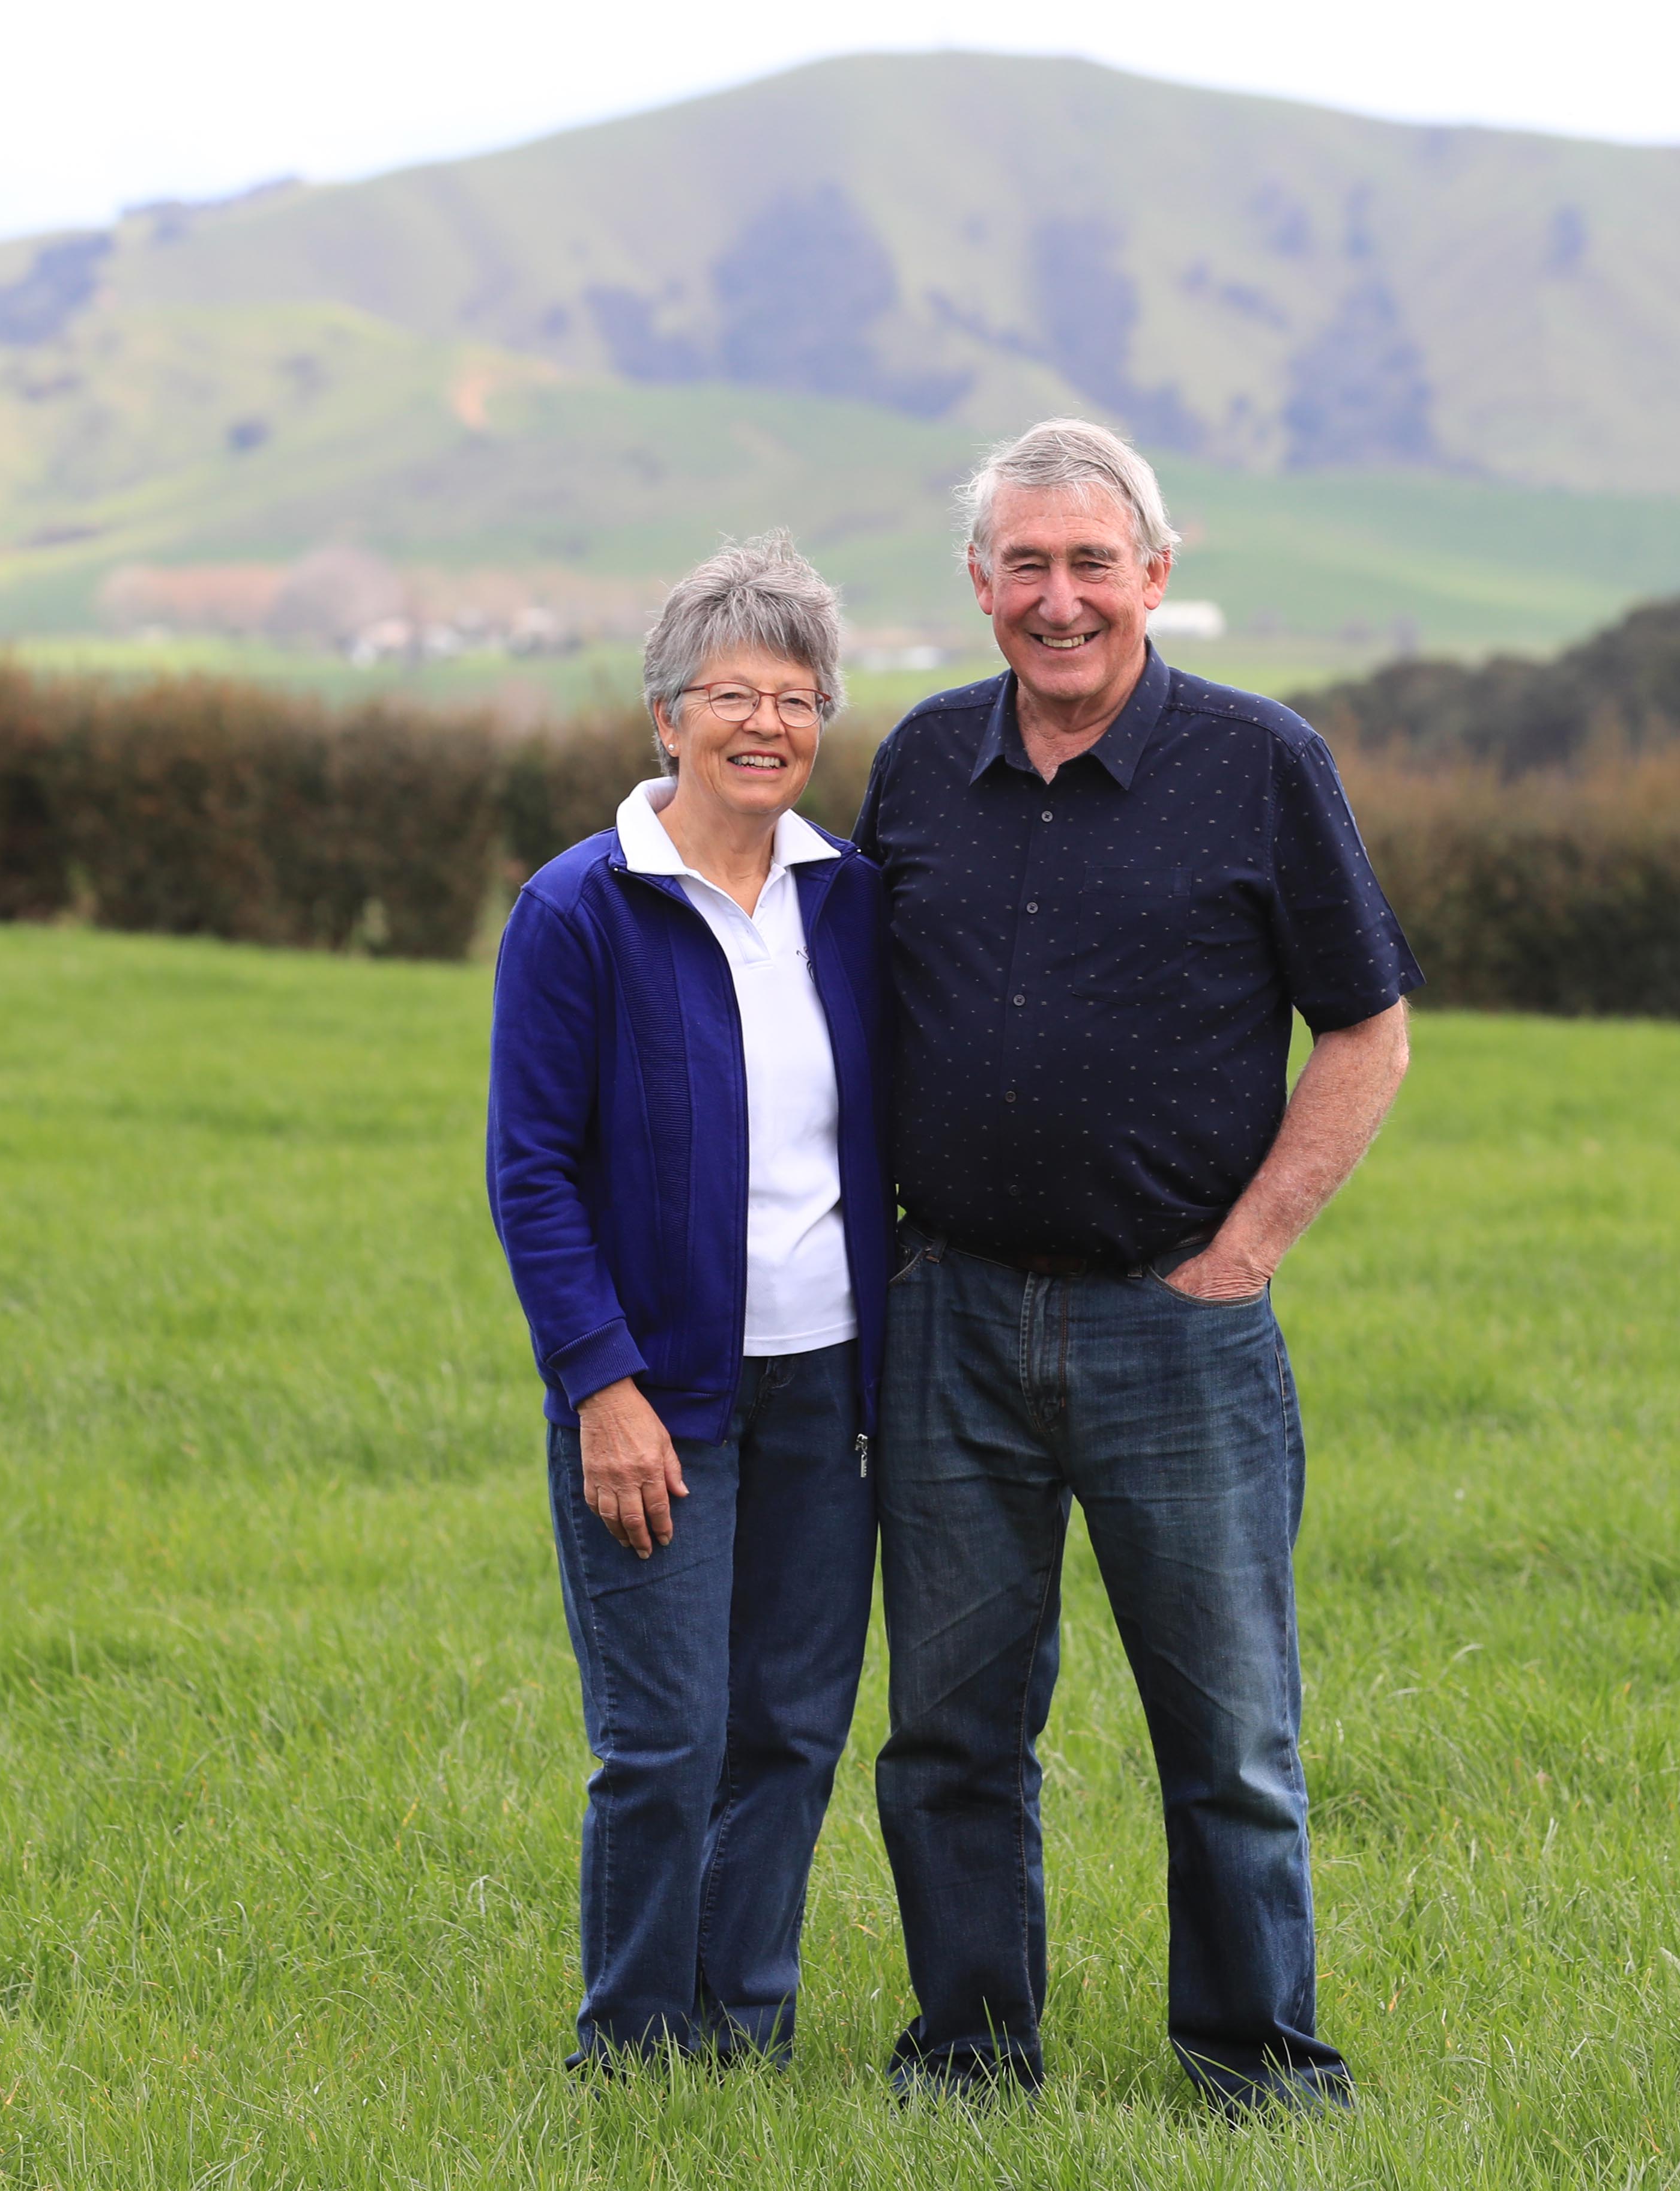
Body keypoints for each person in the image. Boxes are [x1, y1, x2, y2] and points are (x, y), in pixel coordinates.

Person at [854, 419, 1420, 2111]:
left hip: (1178, 1326)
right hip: (950, 1316)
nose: (1060, 599)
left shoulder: (1260, 762)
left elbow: (1369, 1029)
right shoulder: (917, 764)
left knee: (1230, 1741)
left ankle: (1257, 2072)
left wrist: (1246, 1254)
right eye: (1024, 565)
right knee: (949, 1737)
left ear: (1156, 575)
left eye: (1091, 563)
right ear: (978, 584)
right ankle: (969, 2064)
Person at [487, 534, 889, 2067]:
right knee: (663, 1742)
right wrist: (601, 1384)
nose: (766, 725)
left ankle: (744, 2036)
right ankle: (634, 2048)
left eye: (796, 698)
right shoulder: (579, 910)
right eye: (732, 695)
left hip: (829, 1391)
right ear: (667, 716)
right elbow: (531, 1173)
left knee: (789, 1735)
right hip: (657, 1396)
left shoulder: (851, 903)